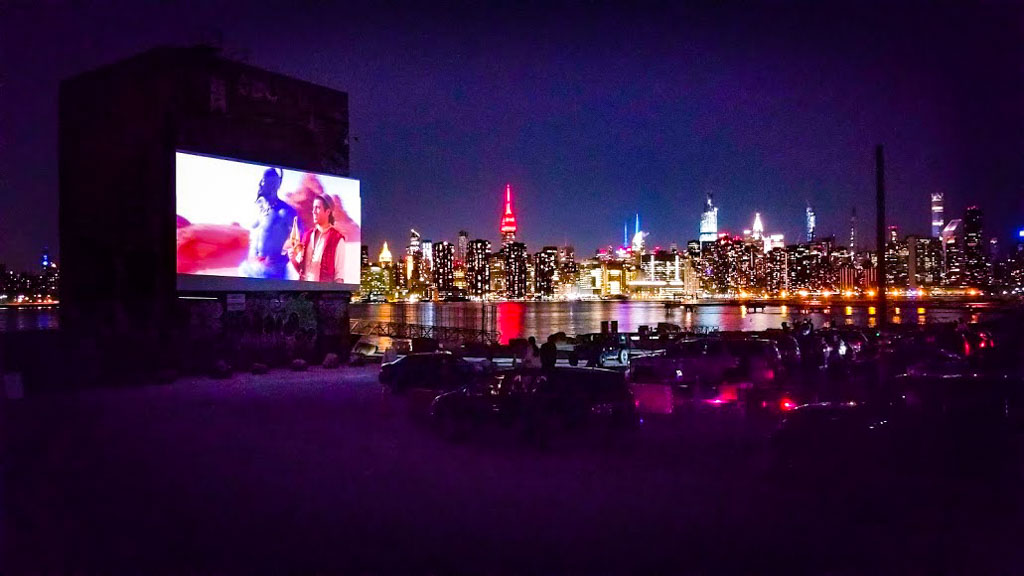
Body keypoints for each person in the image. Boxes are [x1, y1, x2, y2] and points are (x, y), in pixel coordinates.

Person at [240, 168, 297, 279]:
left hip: (273, 273)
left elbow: (301, 239)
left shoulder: (285, 211)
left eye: (265, 181)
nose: (261, 184)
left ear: (275, 184)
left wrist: (283, 258)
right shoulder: (257, 207)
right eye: (262, 181)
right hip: (251, 269)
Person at [289, 193, 347, 283]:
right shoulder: (307, 236)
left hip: (323, 291)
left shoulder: (337, 239)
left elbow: (339, 276)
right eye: (313, 208)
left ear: (328, 212)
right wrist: (293, 259)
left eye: (318, 208)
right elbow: (301, 271)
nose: (314, 211)